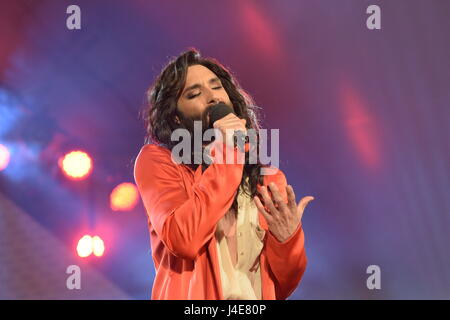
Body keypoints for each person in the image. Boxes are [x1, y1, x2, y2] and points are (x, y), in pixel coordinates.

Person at [134, 48, 314, 300]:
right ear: (175, 117)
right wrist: (228, 149)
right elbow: (183, 239)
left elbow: (281, 286)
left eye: (217, 87)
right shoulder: (160, 162)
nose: (212, 97)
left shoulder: (269, 180)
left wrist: (287, 242)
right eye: (194, 93)